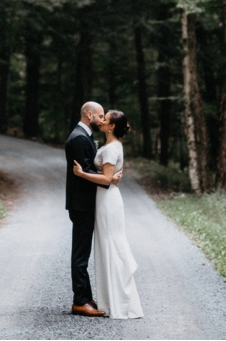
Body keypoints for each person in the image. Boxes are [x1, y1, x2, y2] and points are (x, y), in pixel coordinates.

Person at [73, 109, 143, 319]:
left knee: (111, 245)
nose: (101, 120)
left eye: (105, 119)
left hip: (108, 200)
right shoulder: (110, 145)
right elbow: (110, 176)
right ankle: (110, 299)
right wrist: (111, 177)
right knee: (106, 246)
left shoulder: (112, 149)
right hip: (104, 199)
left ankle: (120, 300)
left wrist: (82, 173)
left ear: (111, 126)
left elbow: (106, 178)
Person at [65, 101, 121, 317]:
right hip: (81, 204)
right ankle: (80, 301)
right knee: (80, 253)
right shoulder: (79, 137)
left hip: (85, 203)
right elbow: (85, 172)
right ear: (89, 114)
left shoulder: (84, 135)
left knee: (83, 251)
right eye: (99, 115)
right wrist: (109, 179)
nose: (101, 119)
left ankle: (85, 296)